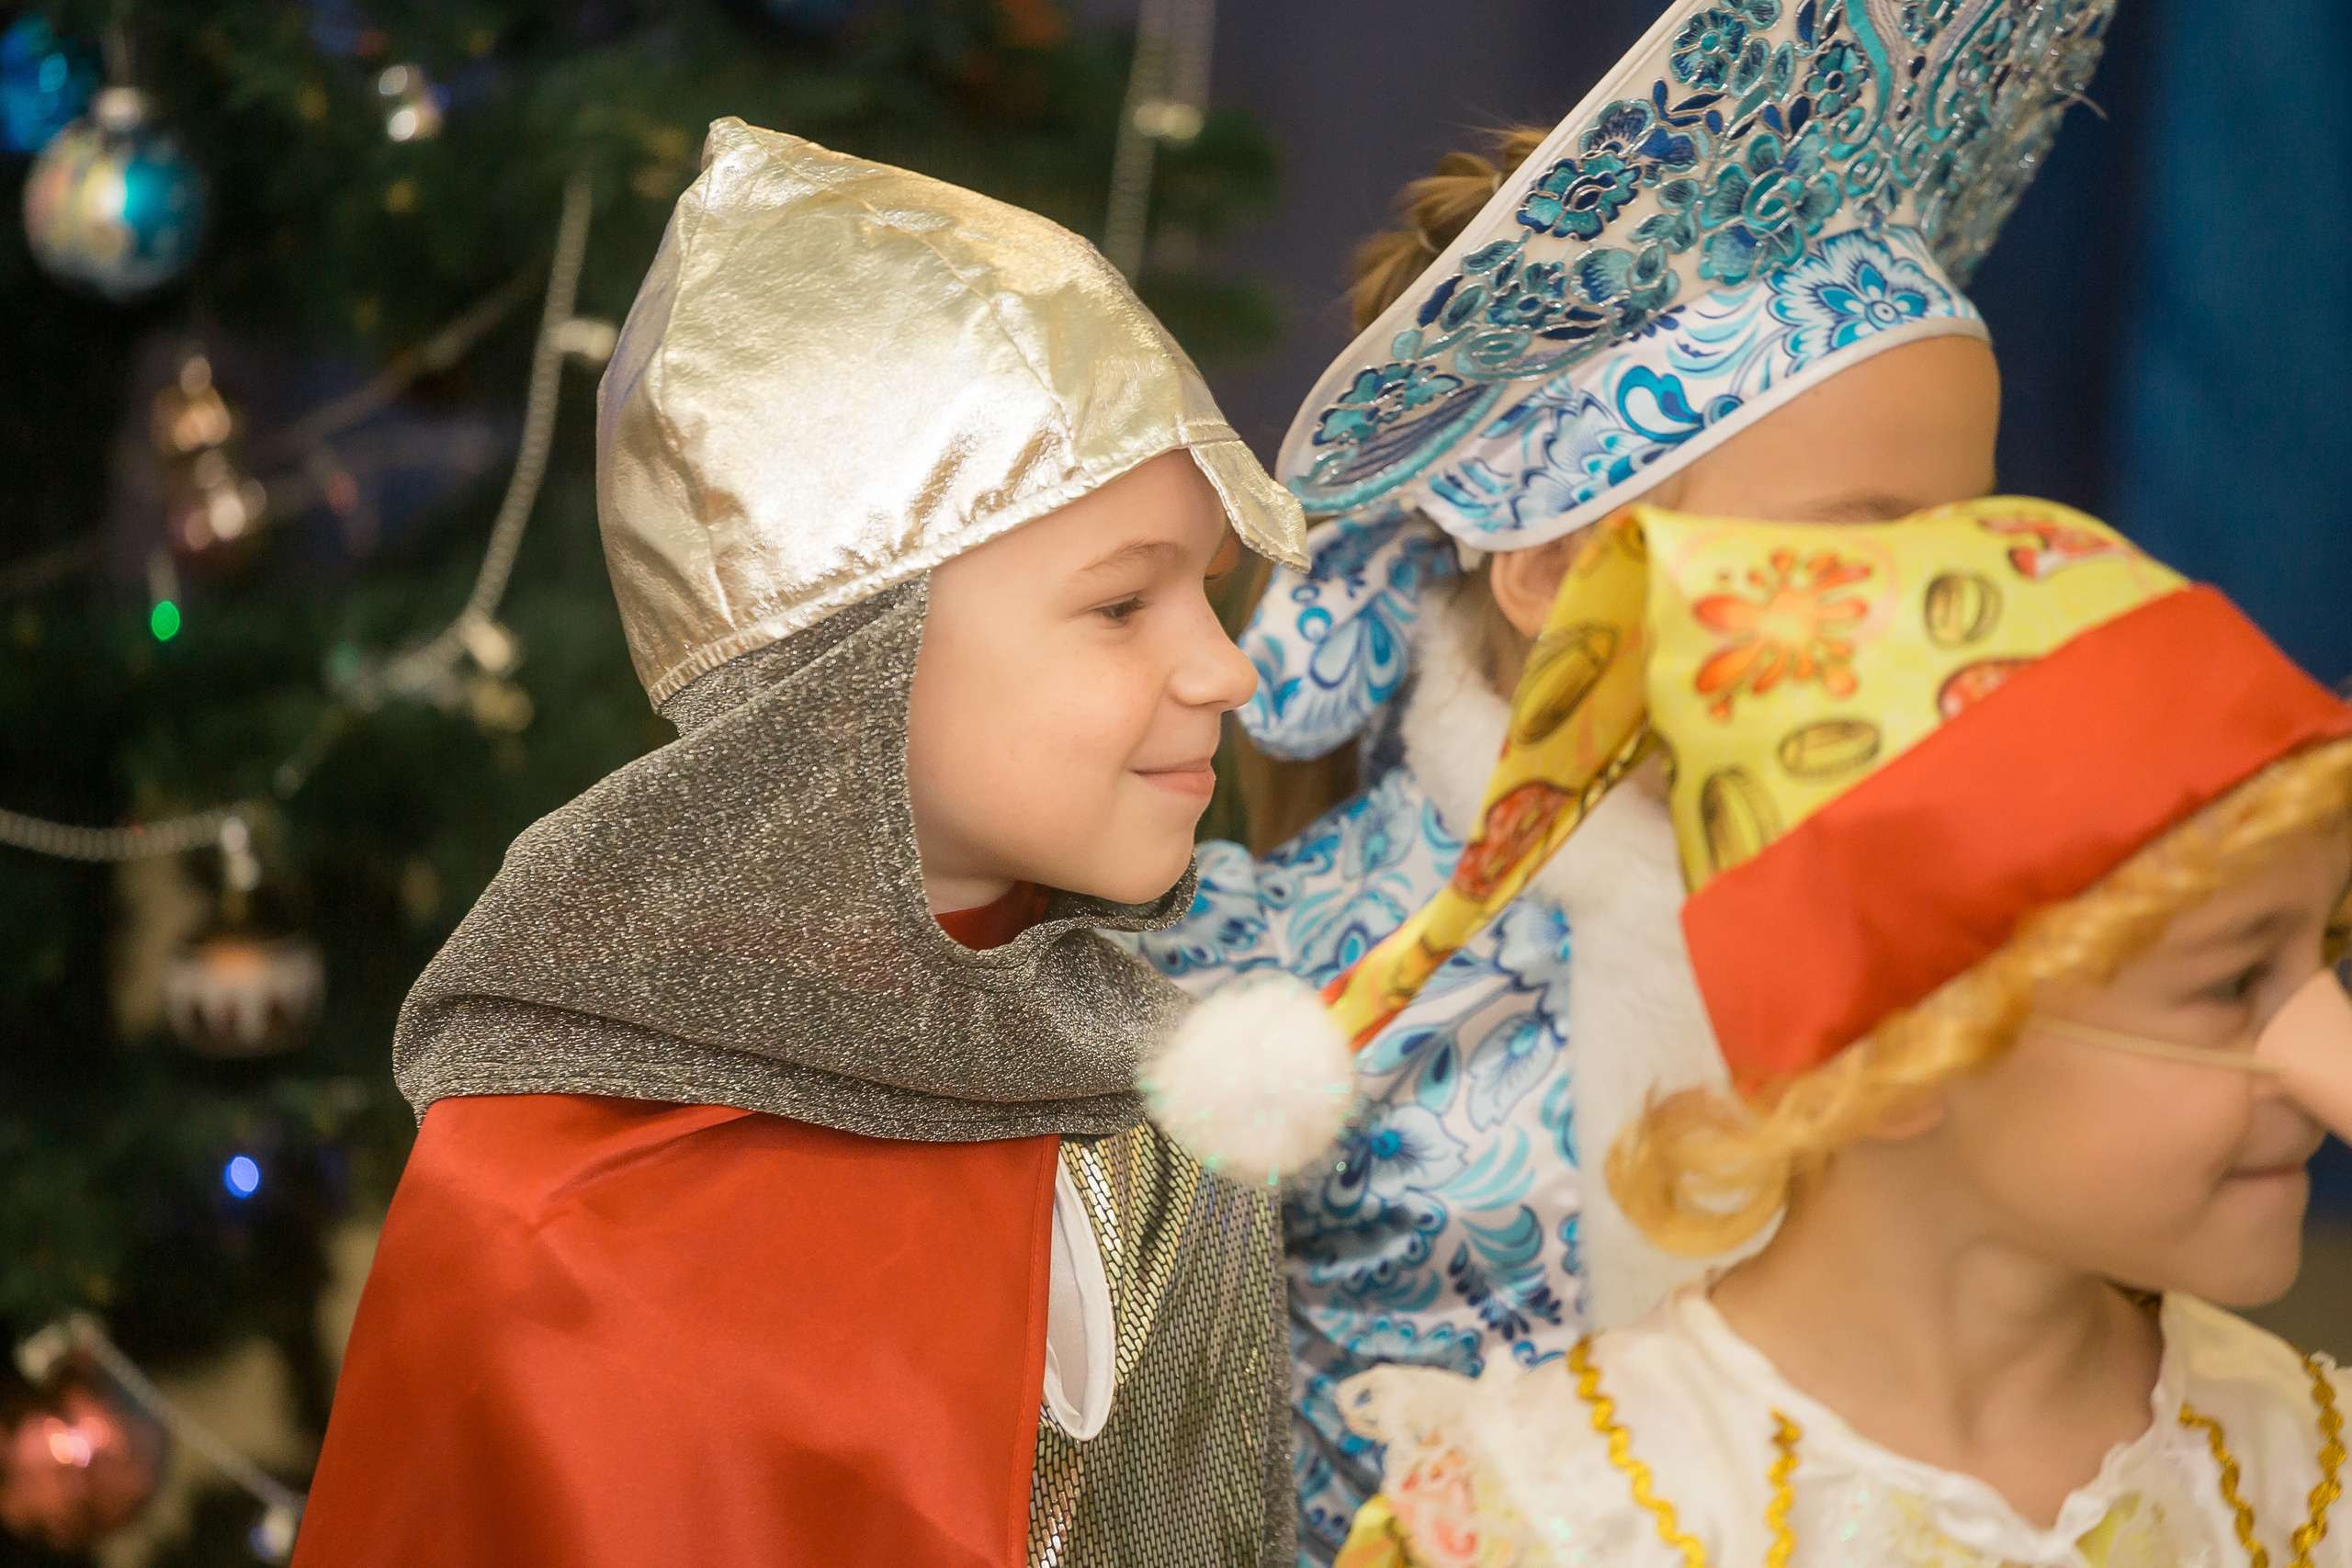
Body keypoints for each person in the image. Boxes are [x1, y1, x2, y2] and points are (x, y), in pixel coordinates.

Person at [1130, 0, 2122, 1554]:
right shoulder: (1288, 980)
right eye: (1862, 539)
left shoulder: (1986, 951)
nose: (1944, 611)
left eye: (1962, 542)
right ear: (1562, 567)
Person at [290, 118, 1308, 1568]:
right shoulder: (549, 1225)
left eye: (1208, 594)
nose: (1225, 670)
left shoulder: (1135, 1096)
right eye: (1122, 605)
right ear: (851, 668)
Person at [1324, 497, 2352, 1566]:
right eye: (2232, 980)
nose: (2328, 1068)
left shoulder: (2309, 1481)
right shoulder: (1561, 1520)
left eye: (2323, 958)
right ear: (1892, 1039)